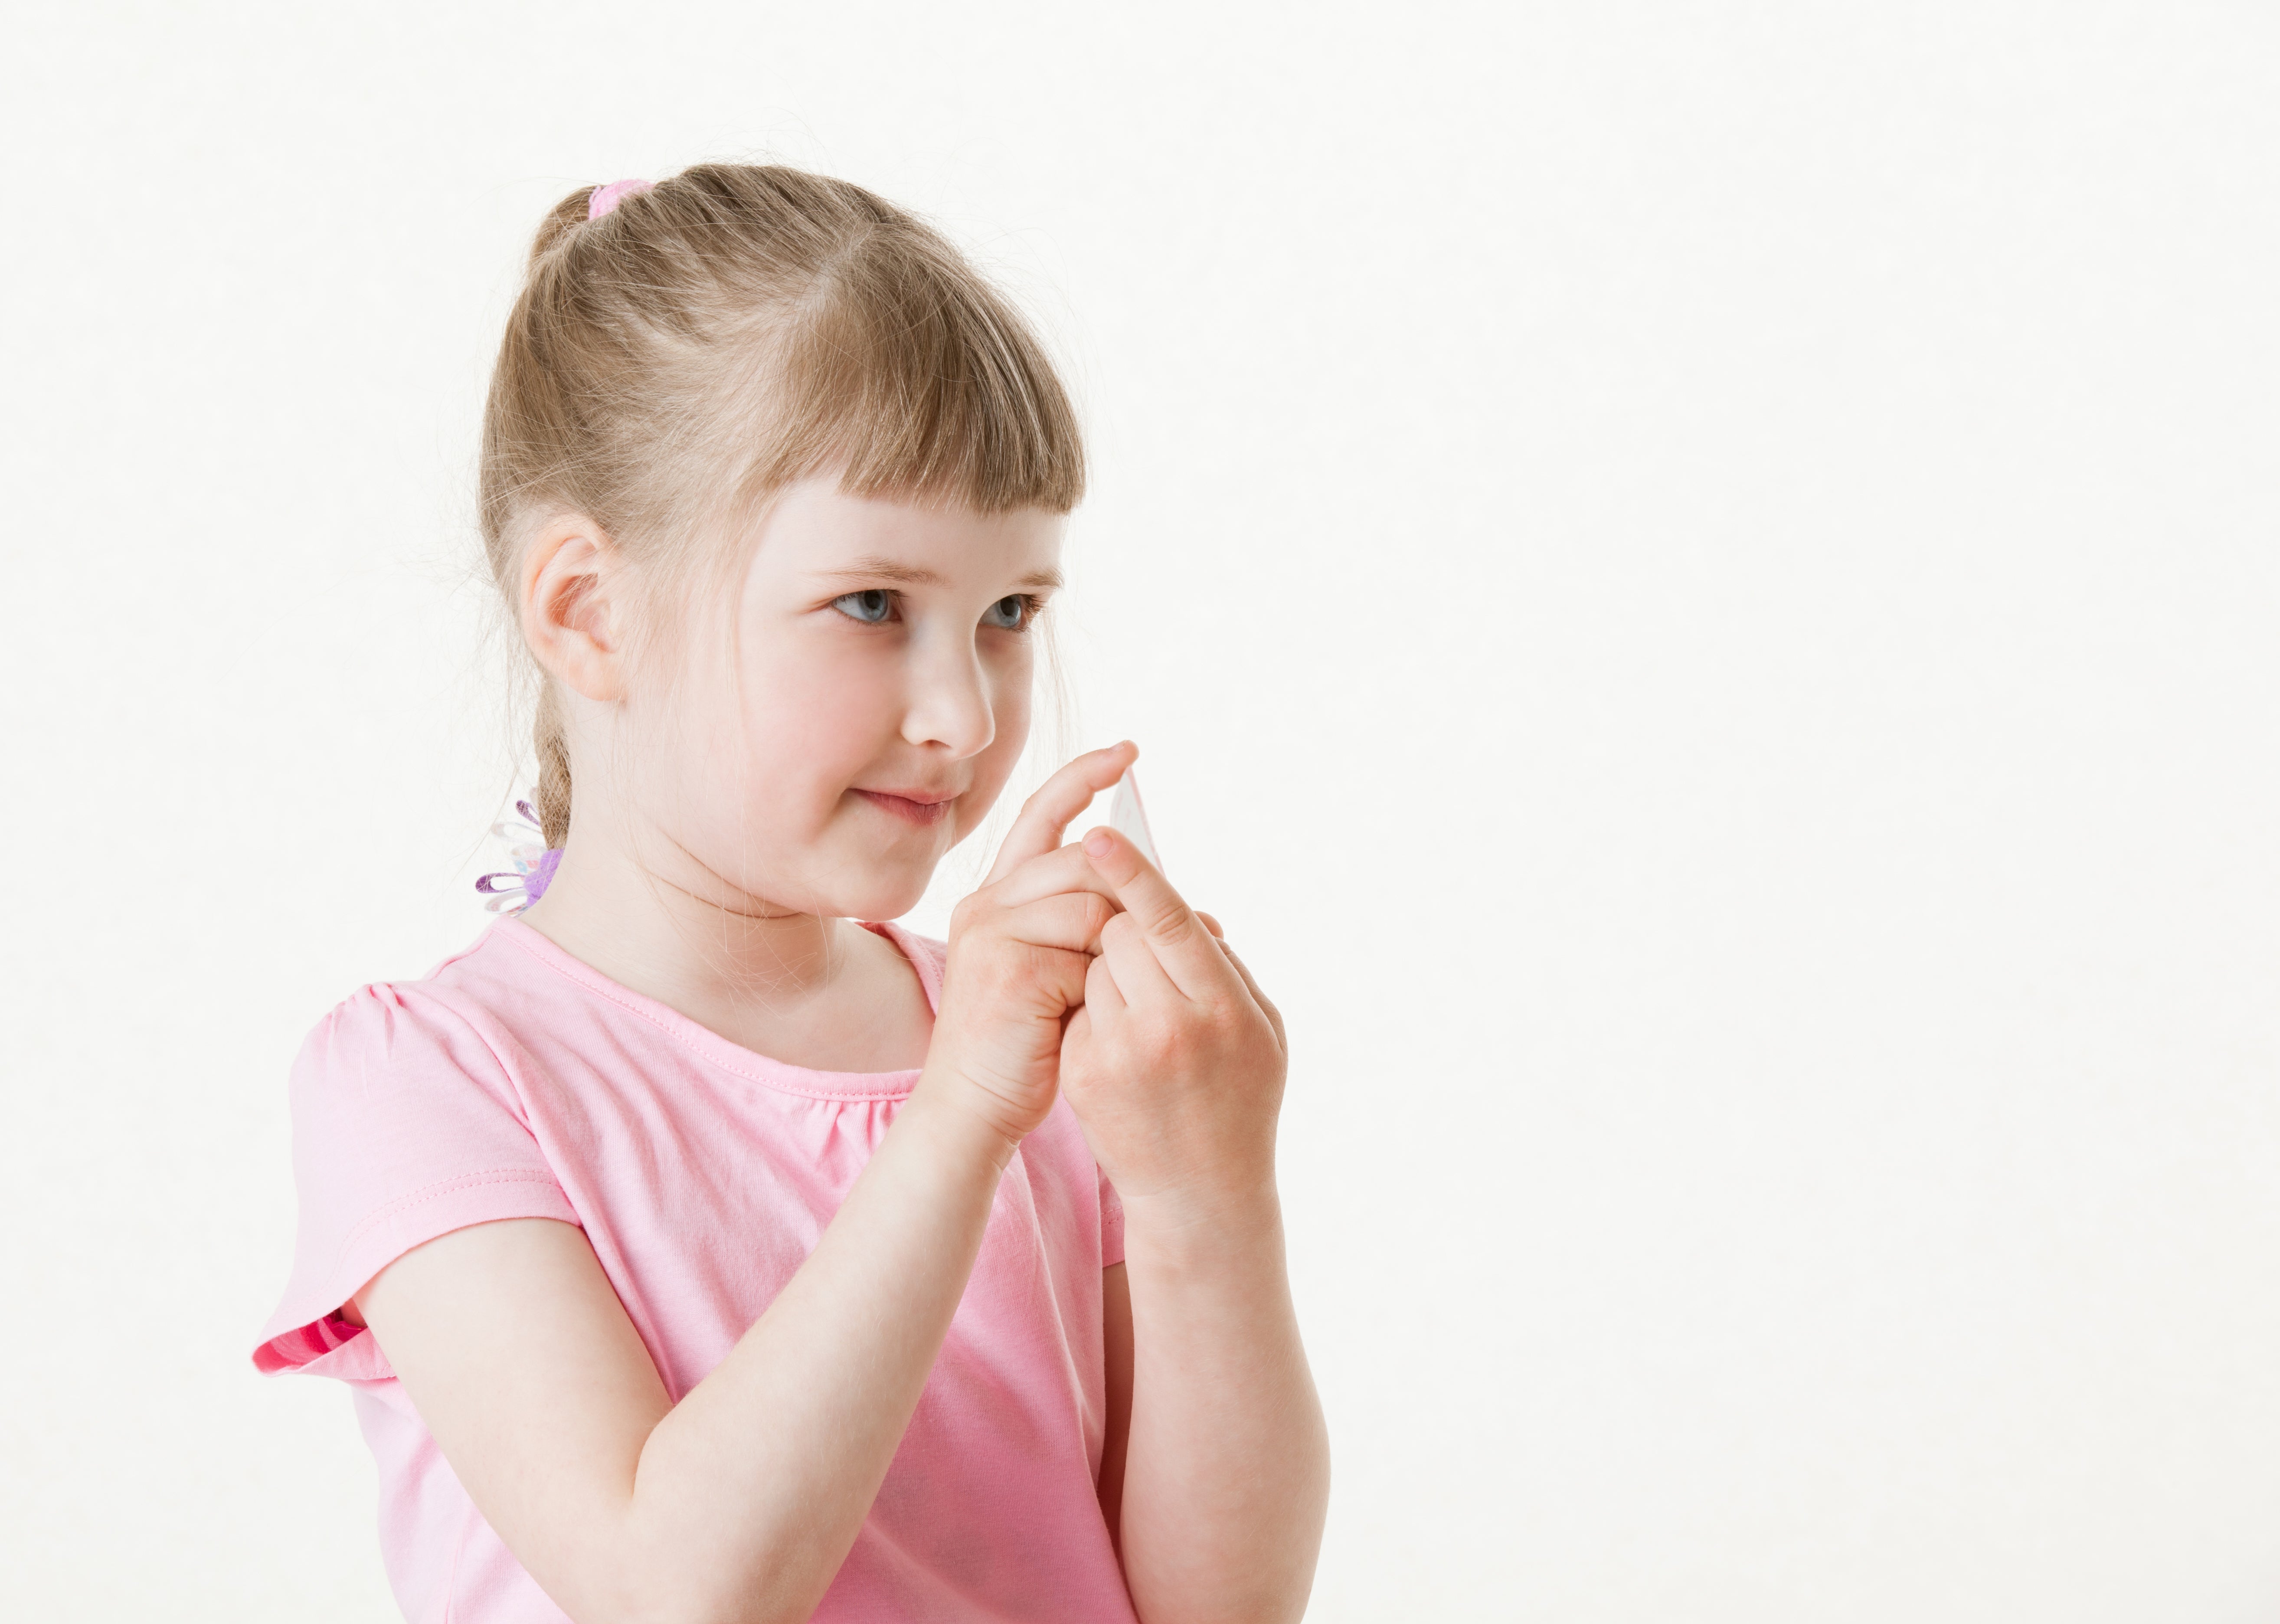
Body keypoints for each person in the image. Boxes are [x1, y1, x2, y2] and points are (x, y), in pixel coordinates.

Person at [251, 163, 1329, 1624]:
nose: (960, 713)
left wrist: (1207, 1196)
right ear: (590, 610)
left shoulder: (1029, 1046)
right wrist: (958, 1117)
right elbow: (673, 1590)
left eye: (1010, 612)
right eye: (873, 605)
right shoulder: (434, 1083)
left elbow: (1215, 1611)